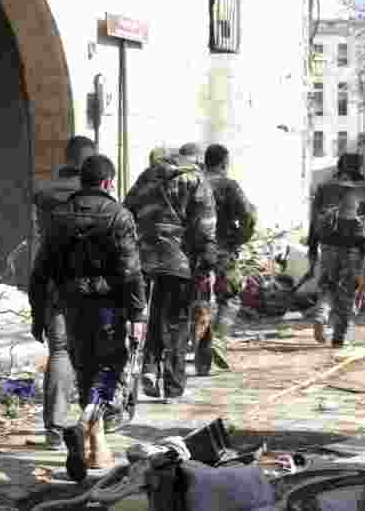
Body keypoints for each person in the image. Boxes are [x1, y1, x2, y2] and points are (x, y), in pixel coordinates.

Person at [30, 155, 146, 482]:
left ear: (82, 181)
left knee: (85, 371)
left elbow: (40, 271)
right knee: (109, 371)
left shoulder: (59, 215)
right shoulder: (118, 215)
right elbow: (130, 270)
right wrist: (137, 312)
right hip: (108, 305)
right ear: (109, 182)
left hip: (71, 305)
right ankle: (83, 429)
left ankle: (96, 446)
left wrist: (39, 313)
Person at [125, 142, 216, 402]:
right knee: (176, 322)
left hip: (144, 257)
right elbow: (204, 227)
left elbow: (127, 209)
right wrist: (207, 262)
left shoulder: (148, 175)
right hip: (179, 260)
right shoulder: (197, 179)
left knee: (151, 315)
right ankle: (173, 388)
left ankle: (150, 368)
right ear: (197, 161)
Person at [31, 135, 97, 448]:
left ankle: (54, 428)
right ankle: (91, 426)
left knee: (59, 351)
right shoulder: (97, 195)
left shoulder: (43, 193)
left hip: (54, 280)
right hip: (91, 285)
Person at [194, 144, 257, 376]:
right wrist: (241, 238)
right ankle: (218, 341)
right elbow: (249, 215)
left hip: (196, 252)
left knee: (200, 301)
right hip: (223, 250)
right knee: (229, 297)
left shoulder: (194, 182)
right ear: (224, 163)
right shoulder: (229, 186)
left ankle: (201, 358)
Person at [307, 153, 365, 348]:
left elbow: (313, 223)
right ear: (359, 168)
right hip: (353, 248)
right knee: (346, 291)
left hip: (328, 246)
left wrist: (312, 250)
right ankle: (339, 337)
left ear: (340, 167)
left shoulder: (324, 188)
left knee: (328, 285)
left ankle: (321, 314)